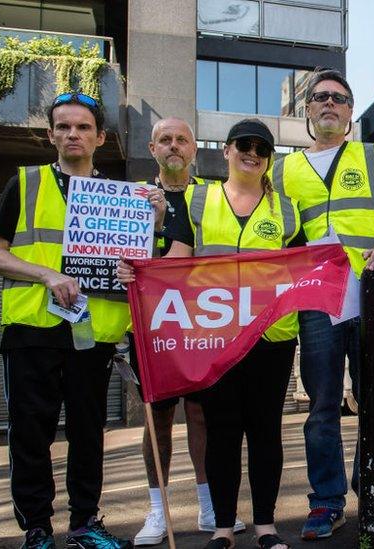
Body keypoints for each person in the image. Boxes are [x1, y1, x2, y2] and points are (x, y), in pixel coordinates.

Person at [119, 119, 299, 549]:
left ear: (269, 158)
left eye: (261, 147)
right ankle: (221, 527)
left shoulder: (287, 210)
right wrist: (140, 271)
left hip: (270, 338)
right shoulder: (199, 199)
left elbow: (302, 266)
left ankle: (266, 527)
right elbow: (177, 259)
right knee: (221, 429)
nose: (251, 152)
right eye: (243, 145)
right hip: (214, 336)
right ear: (227, 151)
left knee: (265, 431)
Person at [0, 92, 144, 549]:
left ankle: (85, 523)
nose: (74, 134)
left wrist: (132, 266)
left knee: (89, 433)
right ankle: (36, 528)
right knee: (30, 432)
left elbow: (130, 268)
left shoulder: (121, 199)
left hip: (91, 334)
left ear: (100, 137)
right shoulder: (25, 184)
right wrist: (48, 275)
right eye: (64, 126)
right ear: (51, 134)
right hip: (31, 330)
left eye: (83, 127)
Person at [270, 69, 374, 541]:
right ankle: (326, 502)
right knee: (323, 404)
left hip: (368, 291)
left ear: (350, 111)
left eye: (339, 98)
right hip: (316, 298)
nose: (329, 104)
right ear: (308, 110)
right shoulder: (283, 168)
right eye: (320, 97)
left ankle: (373, 488)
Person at [131, 117, 246, 545]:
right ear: (152, 147)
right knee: (156, 416)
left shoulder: (212, 196)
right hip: (151, 324)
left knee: (202, 414)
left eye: (182, 139)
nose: (174, 146)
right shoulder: (132, 197)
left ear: (195, 149)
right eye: (165, 139)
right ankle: (157, 511)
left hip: (202, 322)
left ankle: (208, 505)